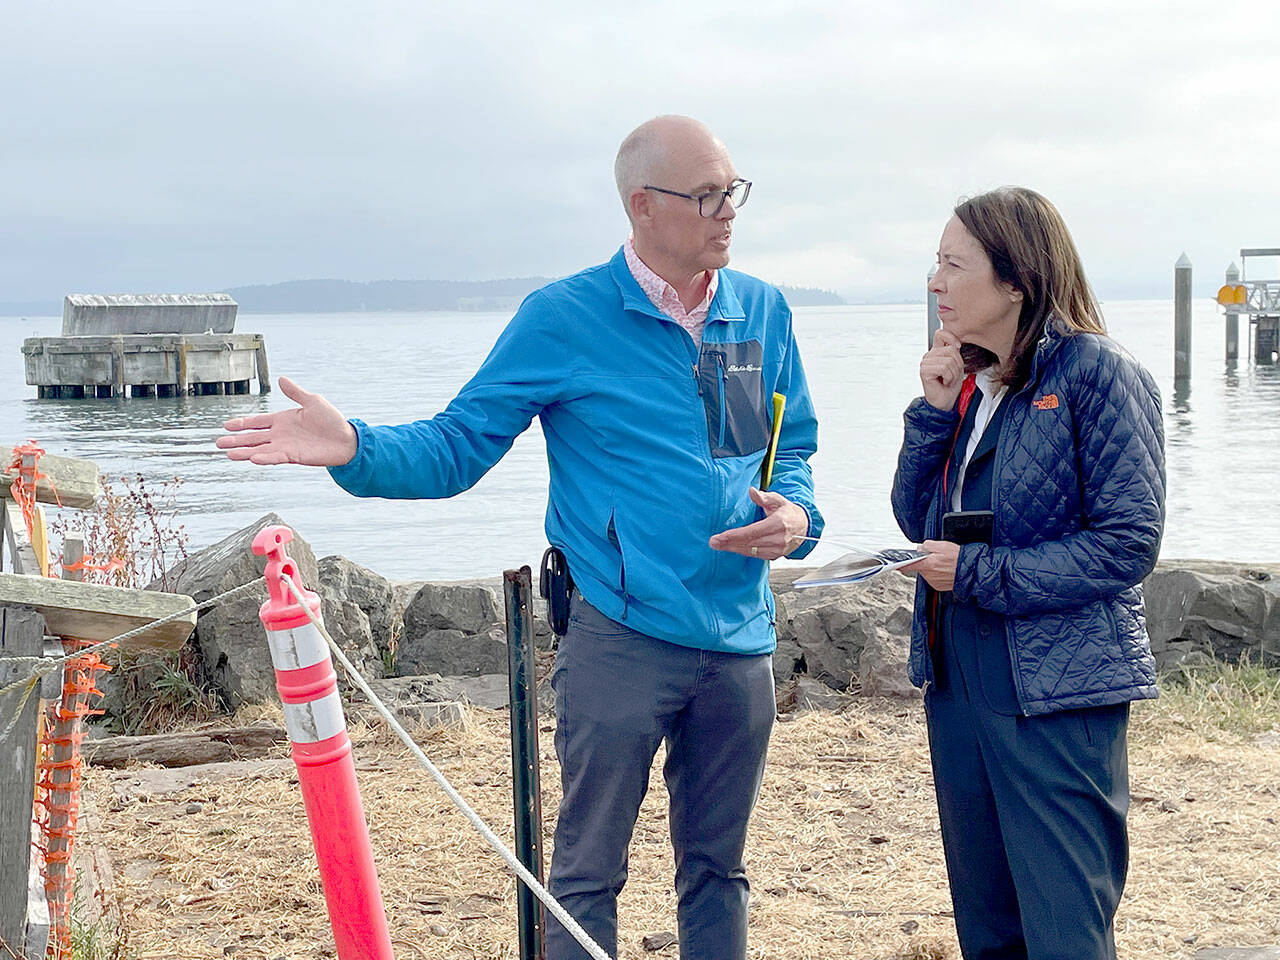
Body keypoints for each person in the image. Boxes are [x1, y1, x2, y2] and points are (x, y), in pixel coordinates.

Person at [216, 115, 823, 960]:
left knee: (719, 873)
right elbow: (460, 445)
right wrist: (355, 446)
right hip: (620, 635)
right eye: (709, 194)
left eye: (735, 191)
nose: (730, 211)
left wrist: (795, 517)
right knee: (584, 877)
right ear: (644, 207)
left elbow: (787, 450)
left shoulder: (762, 308)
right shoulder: (564, 316)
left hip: (741, 635)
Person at [891, 187, 1165, 960]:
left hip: (1056, 694)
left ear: (1016, 280)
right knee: (988, 930)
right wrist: (934, 413)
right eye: (934, 264)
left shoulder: (1098, 374)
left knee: (1064, 932)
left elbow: (1127, 545)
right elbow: (917, 521)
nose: (934, 282)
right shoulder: (974, 385)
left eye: (952, 264)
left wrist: (975, 573)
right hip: (959, 685)